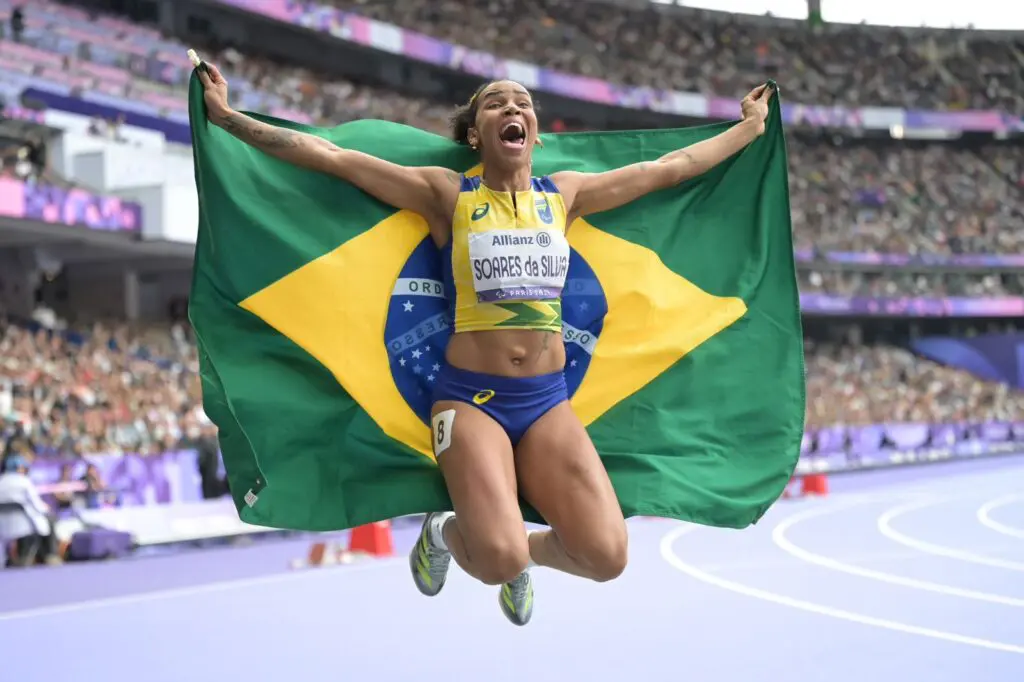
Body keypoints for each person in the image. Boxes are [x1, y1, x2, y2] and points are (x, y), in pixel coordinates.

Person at [196, 60, 772, 625]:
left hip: (548, 402)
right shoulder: (447, 195)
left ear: (535, 135)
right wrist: (228, 119)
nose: (513, 107)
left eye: (523, 102)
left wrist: (747, 128)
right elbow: (335, 159)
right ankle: (444, 532)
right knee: (497, 557)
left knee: (607, 556)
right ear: (477, 134)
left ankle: (528, 556)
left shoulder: (564, 197)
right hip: (470, 401)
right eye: (497, 102)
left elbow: (670, 168)